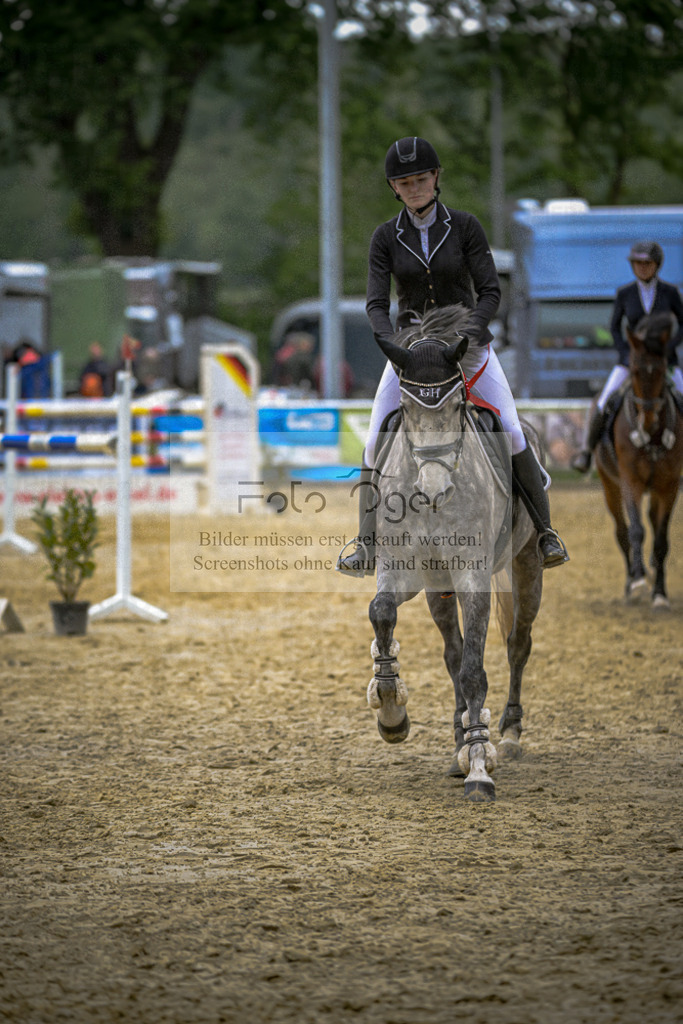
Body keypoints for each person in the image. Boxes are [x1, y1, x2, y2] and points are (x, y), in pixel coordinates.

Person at [337, 136, 569, 575]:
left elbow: (490, 291)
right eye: (405, 183)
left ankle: (545, 532)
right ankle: (365, 544)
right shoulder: (385, 237)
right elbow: (375, 302)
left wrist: (468, 335)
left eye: (421, 179)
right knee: (373, 441)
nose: (414, 188)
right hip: (411, 356)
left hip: (467, 349)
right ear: (394, 187)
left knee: (512, 431)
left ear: (435, 177)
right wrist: (390, 344)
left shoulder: (465, 227)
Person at [572, 241, 683, 473]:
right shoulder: (625, 293)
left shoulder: (670, 292)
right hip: (632, 362)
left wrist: (668, 348)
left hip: (664, 363)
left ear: (657, 265)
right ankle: (587, 452)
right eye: (637, 263)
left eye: (647, 263)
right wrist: (626, 353)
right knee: (604, 400)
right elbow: (615, 328)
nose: (642, 267)